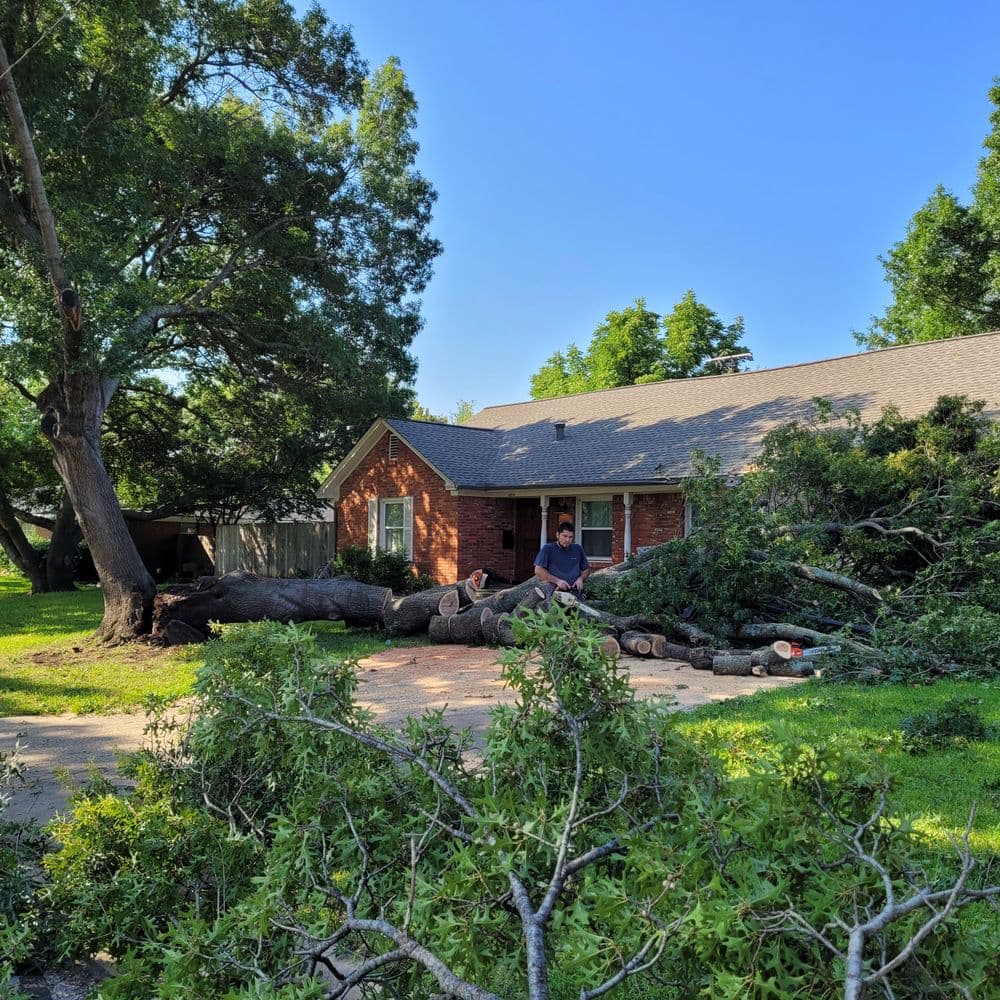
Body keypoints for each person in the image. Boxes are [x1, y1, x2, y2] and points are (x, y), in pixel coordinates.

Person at [534, 521, 591, 597]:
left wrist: (581, 579)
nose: (568, 540)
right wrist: (558, 581)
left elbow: (586, 569)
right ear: (557, 535)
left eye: (570, 537)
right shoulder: (548, 549)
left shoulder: (578, 549)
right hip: (555, 591)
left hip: (575, 591)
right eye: (565, 536)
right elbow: (538, 570)